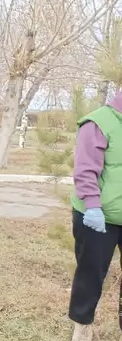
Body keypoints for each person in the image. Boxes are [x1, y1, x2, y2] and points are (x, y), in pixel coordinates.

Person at [68, 92, 122, 341]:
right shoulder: (99, 122)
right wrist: (92, 206)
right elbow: (85, 169)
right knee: (91, 274)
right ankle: (82, 327)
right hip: (97, 216)